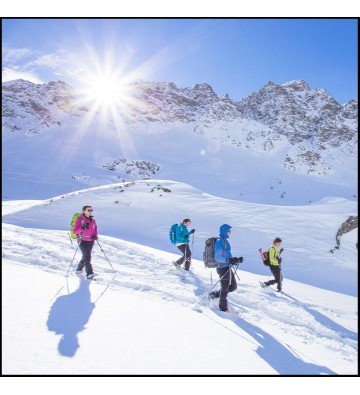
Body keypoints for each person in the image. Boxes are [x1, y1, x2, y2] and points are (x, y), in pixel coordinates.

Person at [208, 224, 243, 312]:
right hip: (222, 268)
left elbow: (227, 255)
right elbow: (218, 257)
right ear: (224, 231)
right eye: (229, 231)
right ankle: (223, 308)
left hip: (227, 267)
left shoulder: (225, 241)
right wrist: (229, 260)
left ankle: (214, 295)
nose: (230, 233)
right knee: (225, 289)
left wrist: (236, 260)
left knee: (233, 287)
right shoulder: (220, 242)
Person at [73, 205, 98, 279]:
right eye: (88, 210)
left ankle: (79, 269)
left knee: (85, 256)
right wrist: (82, 227)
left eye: (91, 210)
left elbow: (95, 229)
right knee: (88, 256)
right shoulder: (80, 219)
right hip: (82, 240)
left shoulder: (92, 219)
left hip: (91, 240)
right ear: (84, 211)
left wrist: (95, 236)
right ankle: (89, 273)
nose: (90, 211)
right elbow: (75, 231)